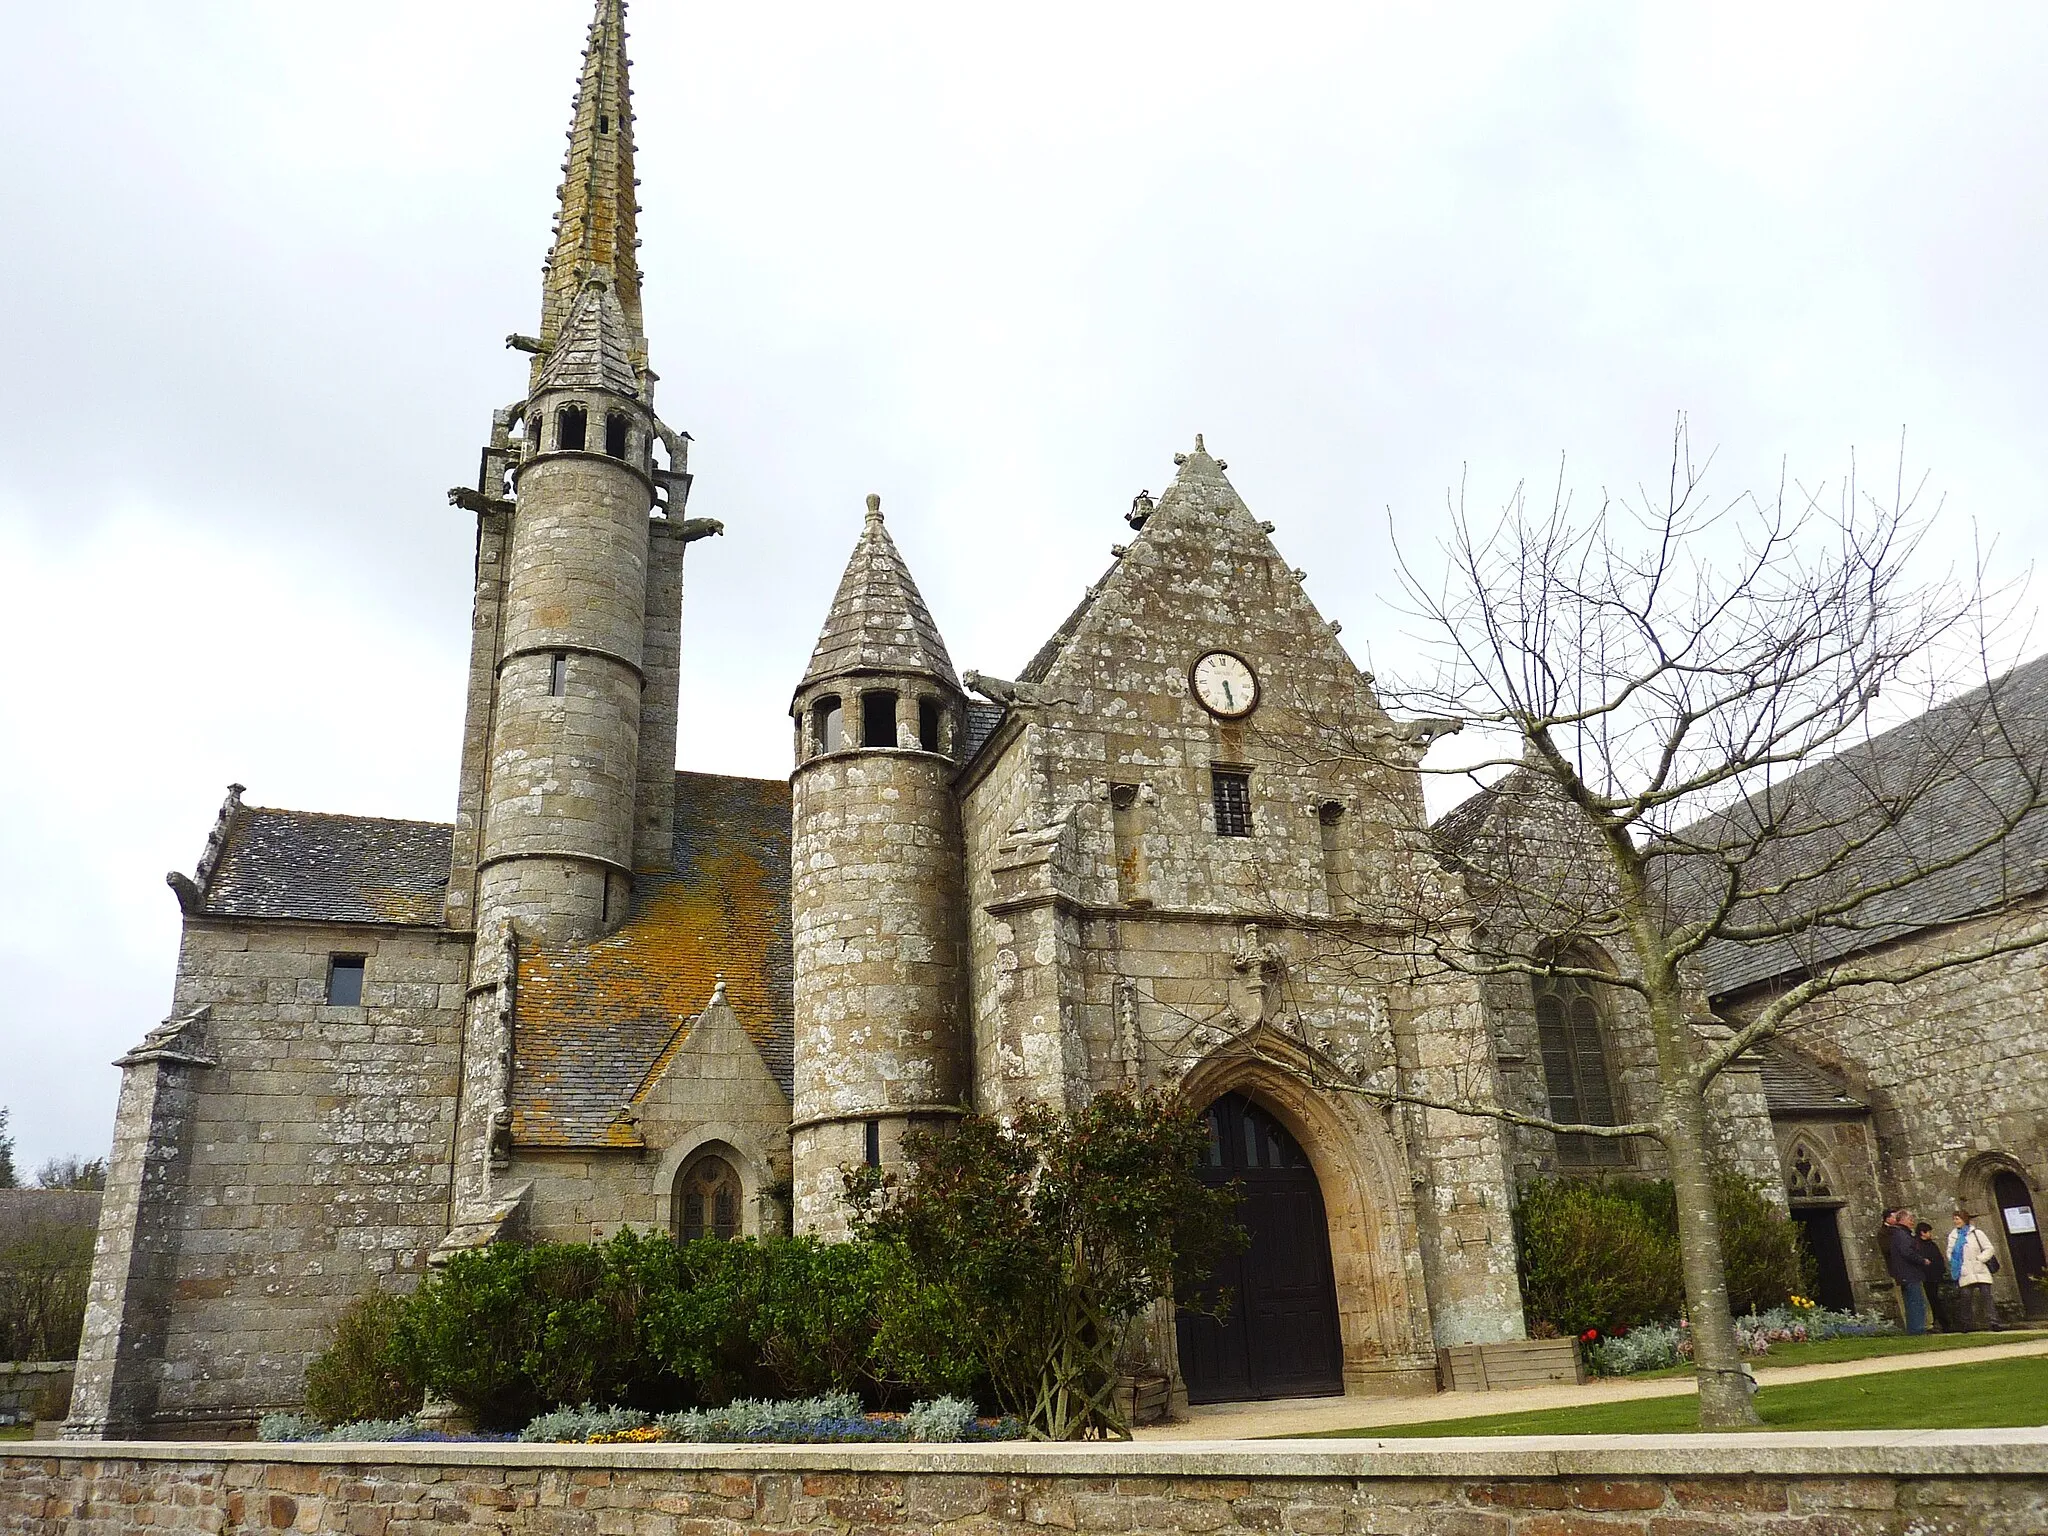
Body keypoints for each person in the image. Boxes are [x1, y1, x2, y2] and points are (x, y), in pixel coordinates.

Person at [1948, 1209, 2000, 1333]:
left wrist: (1980, 1259)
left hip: (1979, 1268)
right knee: (1965, 1296)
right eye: (1954, 1219)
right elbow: (1950, 1252)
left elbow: (1989, 1248)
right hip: (1965, 1270)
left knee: (1986, 1295)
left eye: (1957, 1218)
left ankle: (1994, 1322)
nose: (1955, 1221)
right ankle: (1966, 1324)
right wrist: (1956, 1263)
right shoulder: (1953, 1236)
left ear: (1964, 1219)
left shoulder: (1977, 1233)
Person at [1884, 1208, 1933, 1334]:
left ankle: (1914, 1329)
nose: (1912, 1222)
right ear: (1903, 1220)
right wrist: (1922, 1260)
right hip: (1909, 1273)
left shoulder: (1898, 1233)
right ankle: (1917, 1329)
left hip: (1906, 1273)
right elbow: (1907, 1252)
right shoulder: (1901, 1234)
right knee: (1915, 1302)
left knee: (1911, 1302)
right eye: (1910, 1219)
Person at [1916, 1221, 1958, 1331]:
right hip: (1926, 1277)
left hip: (1934, 1276)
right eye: (1928, 1232)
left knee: (1935, 1299)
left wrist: (1941, 1271)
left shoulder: (1931, 1244)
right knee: (1932, 1300)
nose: (1930, 1234)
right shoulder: (1917, 1245)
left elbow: (1938, 1258)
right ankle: (1940, 1323)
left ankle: (1941, 1323)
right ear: (1922, 1233)